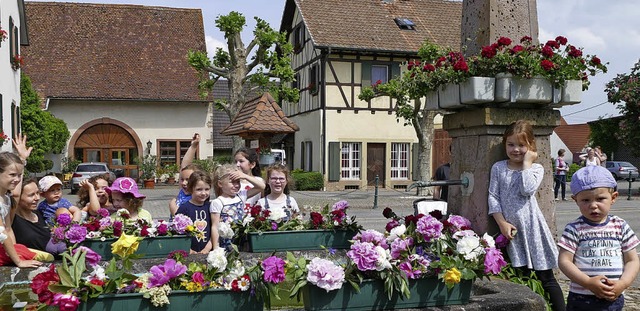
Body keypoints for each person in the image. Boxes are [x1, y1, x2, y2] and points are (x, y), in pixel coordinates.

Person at [487, 120, 565, 311]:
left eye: (521, 145)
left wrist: (527, 163)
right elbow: (493, 196)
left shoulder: (535, 169)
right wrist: (501, 222)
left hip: (532, 230)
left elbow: (526, 189)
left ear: (531, 146)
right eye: (511, 144)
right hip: (511, 232)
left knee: (546, 277)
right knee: (517, 276)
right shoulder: (498, 168)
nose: (515, 149)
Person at [558, 165, 639, 310]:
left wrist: (623, 283)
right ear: (575, 199)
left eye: (600, 199)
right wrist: (588, 282)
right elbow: (564, 261)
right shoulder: (574, 228)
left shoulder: (620, 226)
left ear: (613, 197)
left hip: (613, 297)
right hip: (581, 298)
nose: (593, 206)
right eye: (585, 200)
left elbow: (632, 260)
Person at [0, 134, 42, 267]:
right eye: (12, 175)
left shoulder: (6, 198)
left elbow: (8, 229)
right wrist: (18, 261)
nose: (17, 179)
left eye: (19, 175)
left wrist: (22, 159)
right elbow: (1, 233)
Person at [210, 164, 265, 250]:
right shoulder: (217, 202)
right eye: (232, 182)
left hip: (241, 240)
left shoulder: (241, 195)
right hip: (225, 242)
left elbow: (262, 186)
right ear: (220, 184)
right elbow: (215, 226)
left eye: (238, 182)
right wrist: (216, 248)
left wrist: (245, 176)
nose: (236, 185)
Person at [12, 179, 57, 260]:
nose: (37, 198)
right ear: (19, 197)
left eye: (37, 193)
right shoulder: (12, 220)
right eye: (31, 195)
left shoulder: (40, 213)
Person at [176, 170, 213, 254]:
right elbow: (177, 231)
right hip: (189, 250)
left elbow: (215, 228)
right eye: (199, 189)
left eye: (207, 189)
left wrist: (207, 248)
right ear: (190, 189)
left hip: (208, 250)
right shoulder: (184, 208)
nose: (203, 193)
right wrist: (187, 249)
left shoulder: (211, 206)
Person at [169, 133, 200, 219]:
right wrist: (193, 146)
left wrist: (172, 206)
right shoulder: (183, 192)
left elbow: (179, 217)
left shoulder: (196, 197)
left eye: (188, 180)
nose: (184, 183)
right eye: (182, 179)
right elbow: (184, 166)